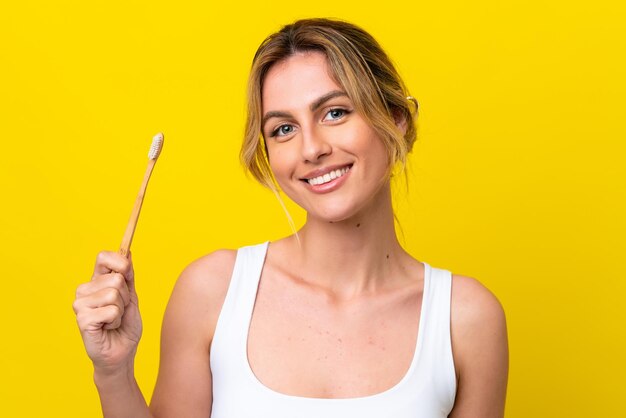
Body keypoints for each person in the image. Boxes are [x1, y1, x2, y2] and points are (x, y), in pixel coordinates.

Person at [73, 18, 508, 417]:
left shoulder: (465, 319)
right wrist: (113, 373)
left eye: (335, 112)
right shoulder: (213, 291)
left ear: (397, 122)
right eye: (283, 129)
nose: (311, 148)